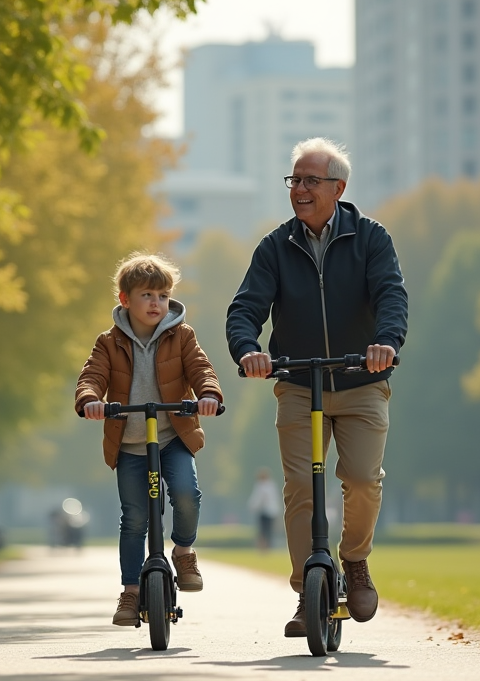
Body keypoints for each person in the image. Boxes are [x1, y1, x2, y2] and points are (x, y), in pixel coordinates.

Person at [226, 137, 408, 637]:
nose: (300, 189)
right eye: (295, 180)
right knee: (302, 489)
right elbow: (245, 309)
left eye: (311, 181)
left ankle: (354, 562)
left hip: (361, 379)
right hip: (300, 383)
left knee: (363, 479)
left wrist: (386, 342)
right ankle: (308, 589)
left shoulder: (371, 239)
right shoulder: (275, 247)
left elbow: (391, 296)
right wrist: (248, 350)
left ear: (338, 188)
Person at [76, 253, 223, 627]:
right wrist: (91, 400)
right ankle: (130, 592)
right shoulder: (108, 342)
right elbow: (91, 375)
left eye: (162, 295)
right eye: (147, 295)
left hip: (173, 436)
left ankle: (184, 551)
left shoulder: (182, 335)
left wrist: (208, 395)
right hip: (129, 443)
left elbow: (201, 369)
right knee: (134, 518)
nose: (156, 303)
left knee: (187, 493)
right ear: (125, 300)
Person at [247, 468, 283, 551]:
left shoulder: (261, 486)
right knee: (269, 531)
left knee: (263, 531)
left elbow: (258, 499)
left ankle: (263, 547)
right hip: (273, 512)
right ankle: (269, 546)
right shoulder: (272, 485)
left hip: (265, 511)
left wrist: (252, 507)